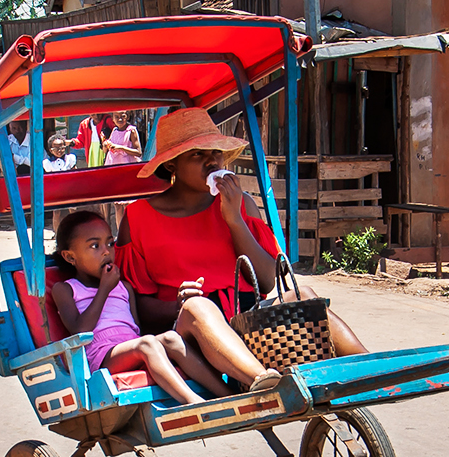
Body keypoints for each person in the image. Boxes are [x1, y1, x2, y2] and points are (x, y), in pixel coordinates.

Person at [116, 107, 368, 357]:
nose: (212, 161)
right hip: (188, 326)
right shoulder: (137, 218)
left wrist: (234, 220)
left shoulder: (241, 203)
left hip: (247, 317)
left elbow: (268, 281)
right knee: (198, 311)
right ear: (172, 164)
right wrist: (176, 306)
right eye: (197, 154)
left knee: (304, 297)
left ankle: (370, 368)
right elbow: (136, 305)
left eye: (216, 152)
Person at [52, 211, 243, 404]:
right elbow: (79, 330)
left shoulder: (124, 287)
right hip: (100, 355)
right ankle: (193, 402)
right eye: (95, 246)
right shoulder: (66, 289)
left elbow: (135, 327)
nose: (106, 252)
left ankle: (229, 396)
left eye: (110, 243)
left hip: (132, 344)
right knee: (147, 344)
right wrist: (104, 289)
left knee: (171, 339)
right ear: (70, 257)